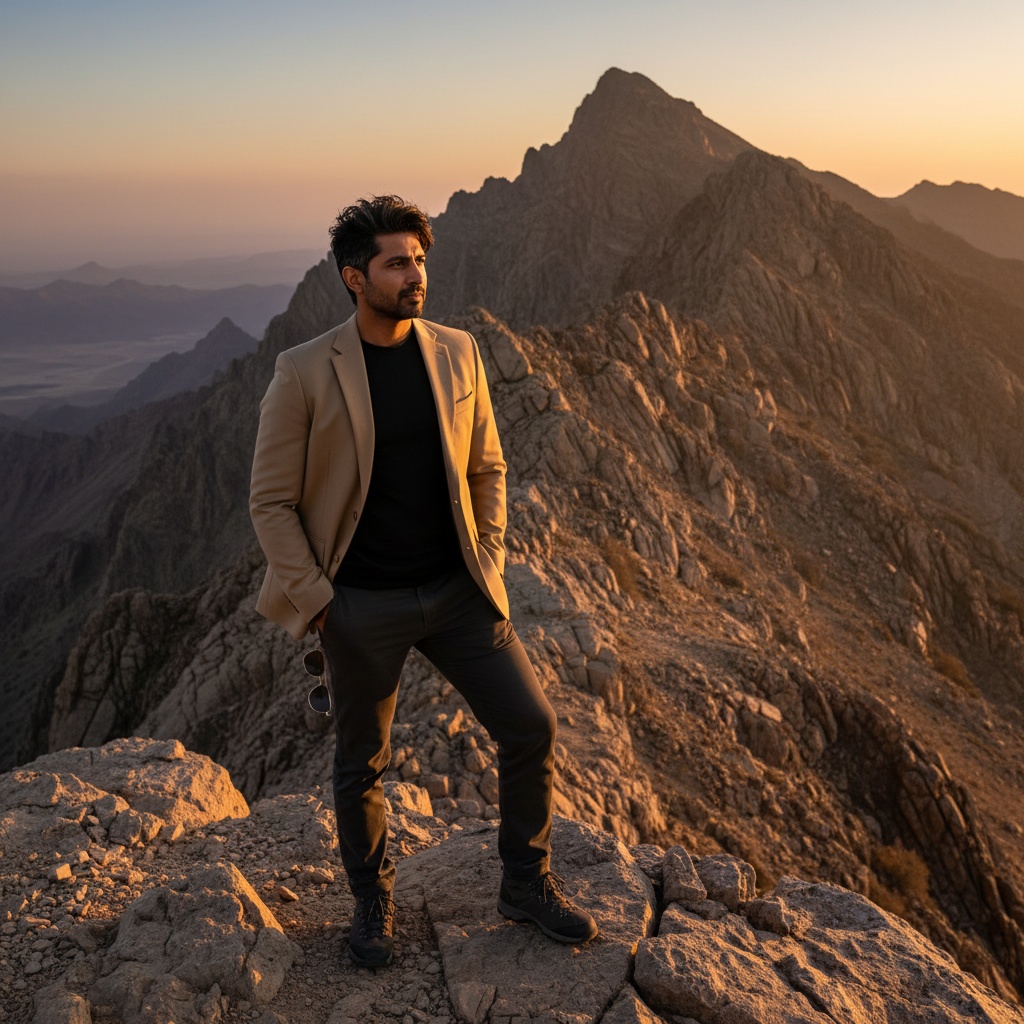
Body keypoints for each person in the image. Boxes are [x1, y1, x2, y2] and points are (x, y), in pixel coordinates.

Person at [249, 195, 597, 967]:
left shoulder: (458, 351)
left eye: (420, 260)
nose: (416, 276)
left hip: (457, 595)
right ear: (355, 277)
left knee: (530, 726)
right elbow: (270, 502)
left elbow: (488, 467)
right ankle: (373, 902)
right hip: (360, 605)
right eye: (397, 263)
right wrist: (322, 606)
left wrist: (490, 558)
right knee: (361, 763)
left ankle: (526, 882)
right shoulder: (305, 371)